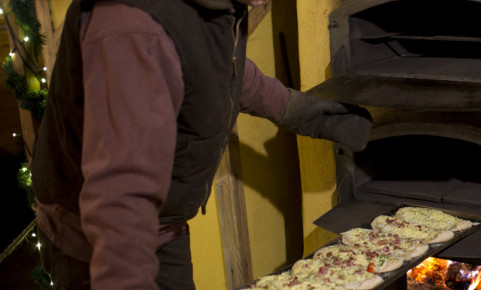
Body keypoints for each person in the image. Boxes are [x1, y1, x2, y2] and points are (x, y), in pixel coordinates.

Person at [28, 0, 372, 289]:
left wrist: (311, 114)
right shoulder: (132, 27)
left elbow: (220, 70)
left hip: (163, 227)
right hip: (102, 246)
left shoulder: (214, 7)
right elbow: (119, 205)